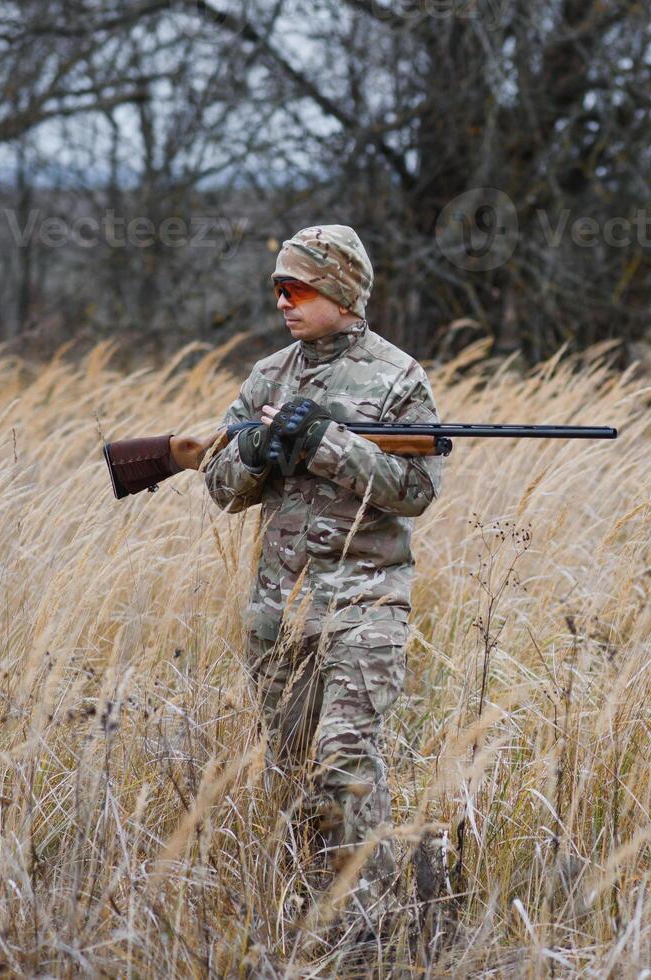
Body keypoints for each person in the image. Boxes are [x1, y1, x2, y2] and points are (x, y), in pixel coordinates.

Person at [201, 224, 444, 941]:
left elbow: (416, 489)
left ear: (343, 291)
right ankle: (312, 922)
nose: (284, 301)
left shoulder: (399, 377)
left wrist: (328, 445)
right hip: (279, 616)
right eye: (278, 288)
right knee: (296, 777)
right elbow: (220, 485)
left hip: (366, 606)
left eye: (299, 287)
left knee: (346, 760)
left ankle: (369, 927)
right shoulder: (266, 378)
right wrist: (255, 450)